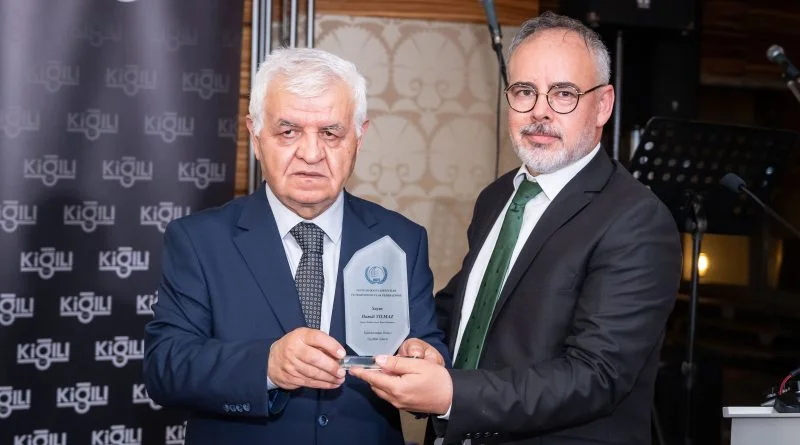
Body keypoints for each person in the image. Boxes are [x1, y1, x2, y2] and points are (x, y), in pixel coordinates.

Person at [350, 11, 682, 445]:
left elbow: (595, 376)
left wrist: (452, 395)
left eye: (563, 93)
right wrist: (420, 344)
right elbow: (468, 311)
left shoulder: (637, 220)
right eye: (525, 91)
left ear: (603, 105)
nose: (539, 111)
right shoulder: (497, 197)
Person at [143, 47, 448, 445]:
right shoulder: (198, 240)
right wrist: (267, 366)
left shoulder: (402, 239)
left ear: (359, 137)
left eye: (330, 133)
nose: (311, 153)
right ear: (256, 136)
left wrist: (425, 360)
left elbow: (425, 345)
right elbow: (165, 368)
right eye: (288, 132)